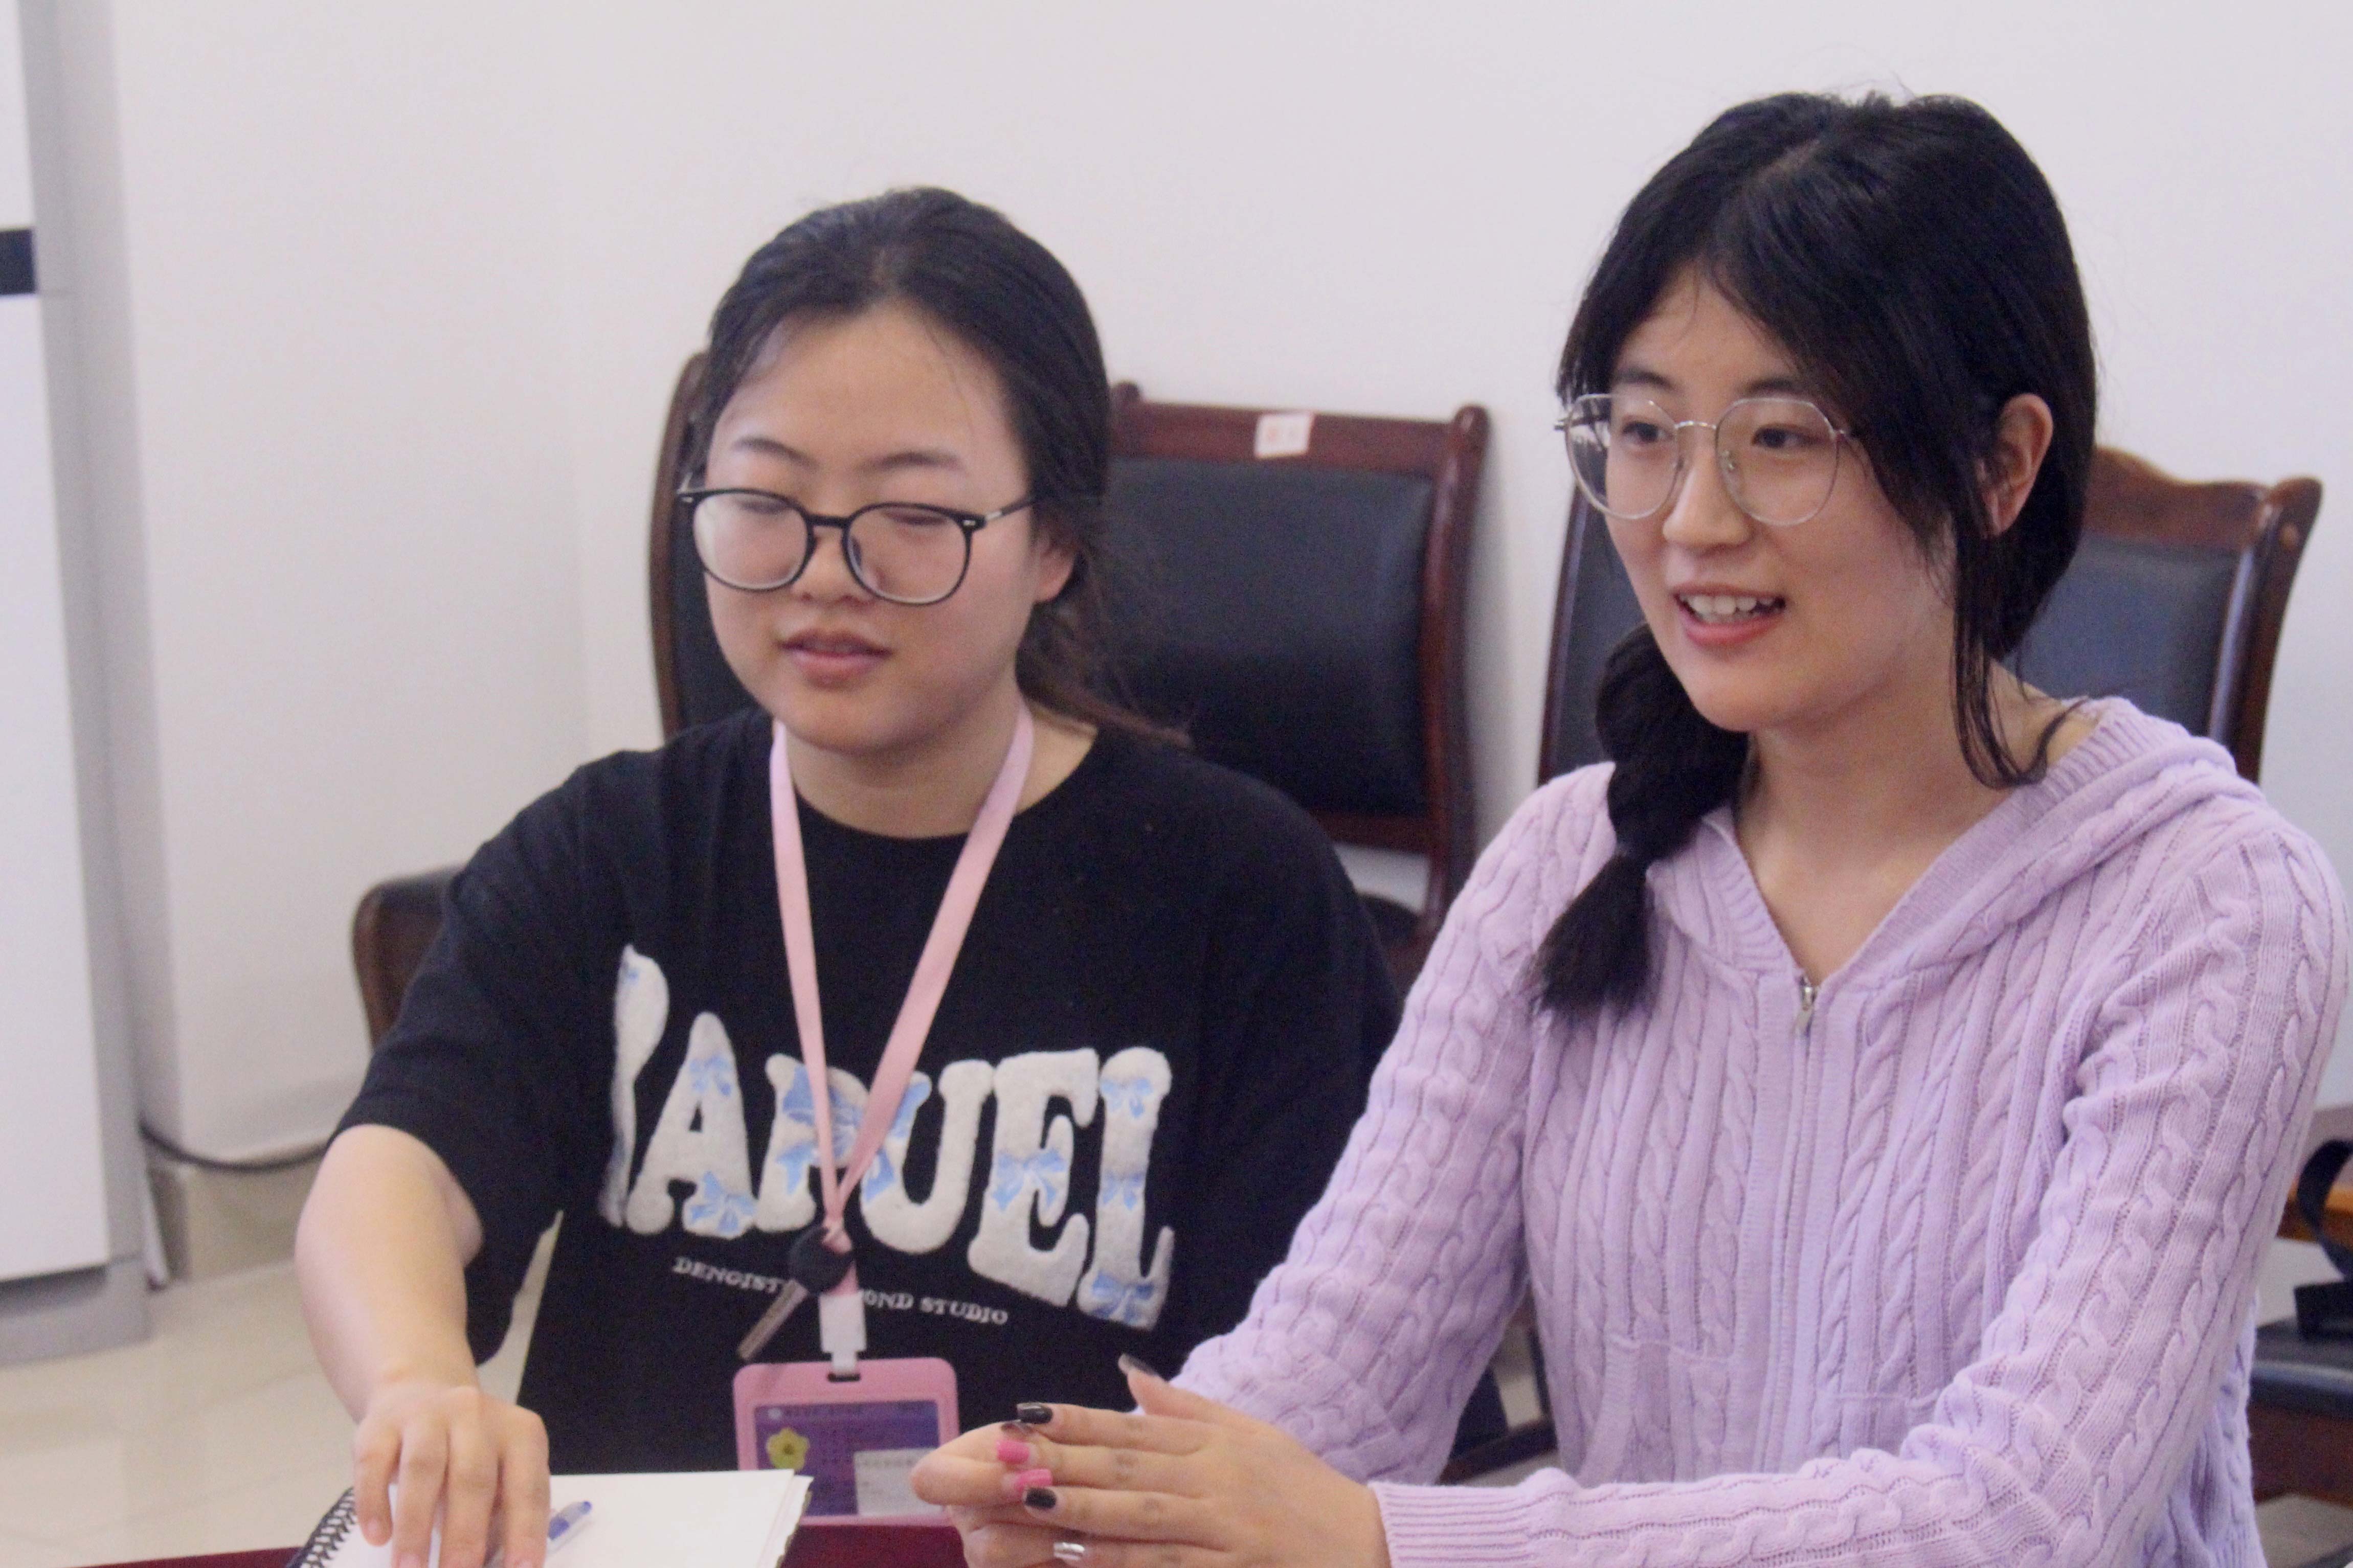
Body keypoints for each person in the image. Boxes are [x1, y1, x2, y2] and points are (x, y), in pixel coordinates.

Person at [913, 92, 2351, 1567]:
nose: (1689, 520)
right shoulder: (1566, 864)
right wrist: (1095, 1511)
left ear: (1999, 467)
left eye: (1780, 436)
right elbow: (1334, 1371)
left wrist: (1392, 1544)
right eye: (1646, 431)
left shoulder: (2209, 902)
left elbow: (2020, 1518)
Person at [296, 188, 1397, 1568]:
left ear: (1054, 541)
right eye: (765, 501)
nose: (825, 572)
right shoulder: (610, 851)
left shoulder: (1239, 893)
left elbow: (1330, 1373)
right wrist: (416, 1383)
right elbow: (397, 1165)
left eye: (911, 514)